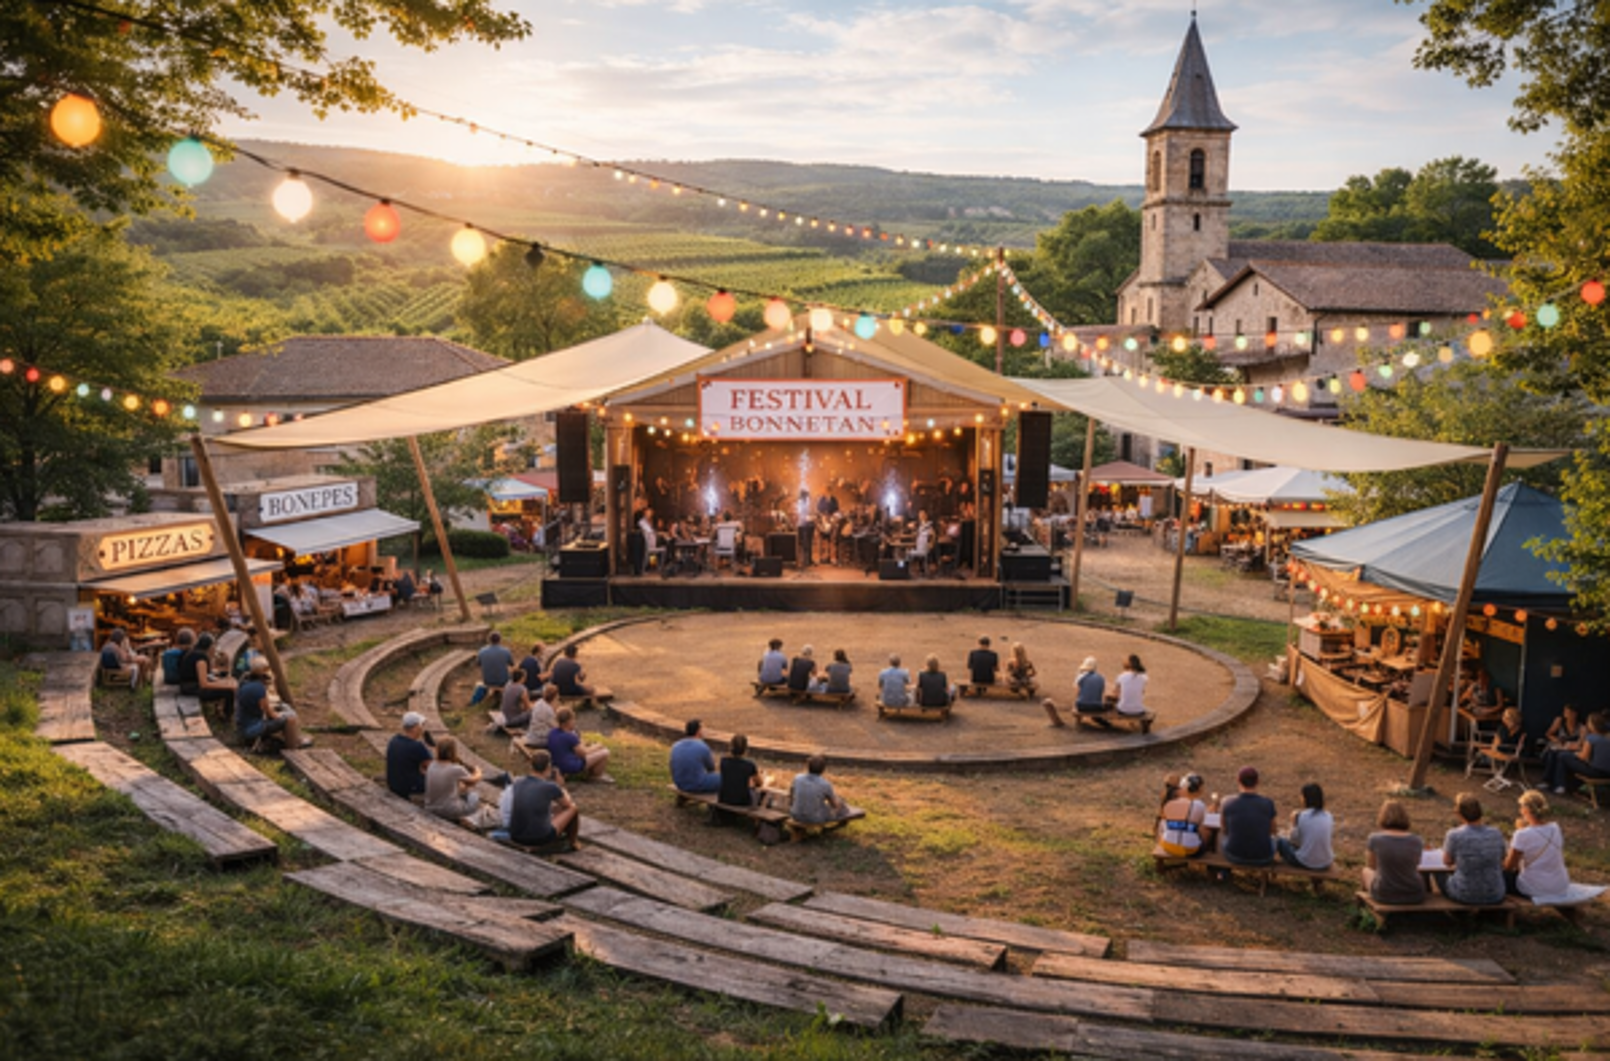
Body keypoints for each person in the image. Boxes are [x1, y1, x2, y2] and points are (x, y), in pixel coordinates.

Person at [493, 749, 580, 850]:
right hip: (539, 838)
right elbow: (568, 805)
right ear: (548, 767)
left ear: (531, 765)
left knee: (556, 809)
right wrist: (561, 786)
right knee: (573, 809)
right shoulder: (550, 787)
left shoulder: (518, 782)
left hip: (515, 836)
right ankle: (572, 843)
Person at [1435, 792, 1508, 905]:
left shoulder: (1454, 835)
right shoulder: (1496, 833)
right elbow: (1502, 857)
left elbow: (1447, 861)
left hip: (1464, 894)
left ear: (1459, 814)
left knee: (1438, 874)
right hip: (1495, 894)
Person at [234, 655, 310, 750]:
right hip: (252, 728)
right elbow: (269, 713)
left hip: (242, 725)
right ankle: (293, 745)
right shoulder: (259, 688)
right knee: (290, 716)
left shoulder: (244, 681)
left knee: (285, 708)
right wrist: (280, 716)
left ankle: (295, 738)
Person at [1363, 799, 1427, 905]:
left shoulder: (1374, 839)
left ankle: (1364, 907)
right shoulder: (1417, 840)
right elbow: (1417, 864)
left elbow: (1371, 865)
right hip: (1414, 894)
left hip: (1384, 894)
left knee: (1366, 871)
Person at [423, 736, 488, 827]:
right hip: (449, 811)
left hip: (430, 807)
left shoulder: (432, 765)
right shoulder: (456, 769)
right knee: (474, 796)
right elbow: (473, 781)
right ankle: (468, 818)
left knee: (461, 788)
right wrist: (478, 772)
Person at [1219, 765, 1277, 867]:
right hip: (1263, 858)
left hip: (1234, 856)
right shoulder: (1268, 803)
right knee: (1278, 840)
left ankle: (1221, 870)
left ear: (1238, 780)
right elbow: (1273, 830)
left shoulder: (1227, 802)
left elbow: (1224, 829)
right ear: (1258, 781)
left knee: (1219, 835)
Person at [1543, 711, 1610, 794]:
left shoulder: (1591, 738)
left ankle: (1560, 785)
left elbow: (1583, 757)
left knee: (1562, 756)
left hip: (1595, 772)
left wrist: (1575, 754)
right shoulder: (1608, 737)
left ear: (1592, 725)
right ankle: (1566, 785)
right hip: (1608, 773)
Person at [1276, 783, 1333, 871]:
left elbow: (1293, 840)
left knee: (1280, 842)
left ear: (1306, 799)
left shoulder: (1301, 816)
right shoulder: (1328, 816)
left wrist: (1293, 824)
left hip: (1306, 862)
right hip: (1326, 862)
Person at [548, 706, 613, 783]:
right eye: (573, 719)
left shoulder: (553, 732)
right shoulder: (570, 736)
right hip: (570, 766)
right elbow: (583, 753)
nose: (574, 722)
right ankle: (596, 776)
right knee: (605, 752)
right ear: (568, 722)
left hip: (556, 764)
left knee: (593, 750)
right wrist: (597, 746)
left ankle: (592, 773)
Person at [179, 632, 237, 717]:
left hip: (188, 686)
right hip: (191, 688)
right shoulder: (201, 658)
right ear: (210, 646)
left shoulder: (194, 653)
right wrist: (227, 686)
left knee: (223, 682)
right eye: (214, 646)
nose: (215, 649)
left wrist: (221, 681)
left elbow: (206, 675)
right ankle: (226, 716)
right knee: (228, 692)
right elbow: (204, 684)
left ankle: (220, 711)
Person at [1156, 772, 1209, 859]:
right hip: (1190, 850)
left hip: (1167, 845)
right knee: (1207, 832)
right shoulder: (1200, 805)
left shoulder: (1169, 802)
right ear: (1200, 791)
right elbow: (1201, 828)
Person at [1042, 656, 1106, 727]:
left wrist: (1075, 705)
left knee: (1079, 702)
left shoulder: (1081, 677)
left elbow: (1077, 693)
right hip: (1097, 706)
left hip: (1082, 706)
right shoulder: (1101, 677)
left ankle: (1079, 721)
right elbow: (1100, 693)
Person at [386, 711, 434, 799]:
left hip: (394, 785)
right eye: (421, 725)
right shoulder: (417, 746)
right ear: (415, 728)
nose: (422, 728)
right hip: (410, 787)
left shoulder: (394, 740)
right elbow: (433, 767)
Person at [790, 754, 850, 824]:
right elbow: (834, 804)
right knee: (841, 805)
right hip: (814, 818)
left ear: (807, 766)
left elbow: (791, 792)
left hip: (796, 815)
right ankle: (843, 822)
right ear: (823, 770)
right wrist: (839, 803)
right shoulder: (825, 784)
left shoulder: (798, 778)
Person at [670, 718, 721, 794]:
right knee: (724, 778)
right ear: (698, 731)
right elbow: (711, 768)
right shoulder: (702, 746)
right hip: (696, 784)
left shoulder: (676, 745)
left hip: (679, 782)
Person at [718, 733, 767, 808]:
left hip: (724, 799)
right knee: (762, 794)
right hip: (742, 803)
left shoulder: (723, 761)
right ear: (745, 749)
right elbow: (759, 783)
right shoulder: (749, 765)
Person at [473, 631, 515, 707]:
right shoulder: (506, 651)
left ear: (489, 640)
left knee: (481, 683)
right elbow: (512, 664)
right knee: (511, 675)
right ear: (500, 640)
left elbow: (477, 664)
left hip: (488, 680)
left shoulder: (482, 651)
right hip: (503, 681)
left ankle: (478, 701)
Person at [520, 684, 561, 750]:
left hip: (532, 735)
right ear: (554, 696)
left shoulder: (539, 702)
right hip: (539, 739)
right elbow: (557, 727)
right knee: (562, 738)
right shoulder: (548, 710)